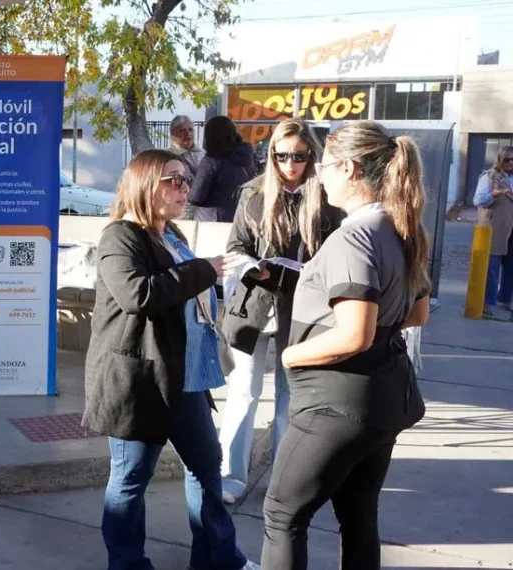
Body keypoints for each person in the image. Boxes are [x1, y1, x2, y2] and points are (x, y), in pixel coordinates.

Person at [261, 120, 431, 569]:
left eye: (325, 165)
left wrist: (290, 354)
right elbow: (416, 315)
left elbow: (356, 334)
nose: (318, 176)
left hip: (338, 402)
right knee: (358, 514)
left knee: (282, 516)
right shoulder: (401, 227)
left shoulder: (355, 235)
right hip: (383, 395)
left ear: (350, 169)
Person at [82, 148, 259, 570]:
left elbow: (187, 292)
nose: (185, 188)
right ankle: (127, 565)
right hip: (140, 381)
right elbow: (138, 294)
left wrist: (235, 276)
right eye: (174, 180)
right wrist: (204, 270)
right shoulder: (120, 236)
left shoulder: (171, 234)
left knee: (206, 467)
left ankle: (218, 559)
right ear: (145, 185)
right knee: (130, 479)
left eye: (186, 179)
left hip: (185, 375)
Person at [218, 118, 345, 504]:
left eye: (299, 156)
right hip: (254, 304)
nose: (290, 164)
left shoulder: (326, 197)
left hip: (303, 310)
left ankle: (282, 482)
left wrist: (313, 271)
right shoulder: (254, 192)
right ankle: (230, 477)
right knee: (243, 392)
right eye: (282, 155)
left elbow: (340, 252)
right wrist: (248, 265)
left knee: (292, 398)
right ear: (271, 154)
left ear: (311, 156)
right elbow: (235, 246)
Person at [188, 116, 258, 222]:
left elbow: (195, 197)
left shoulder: (212, 160)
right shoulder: (248, 156)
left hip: (215, 219)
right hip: (243, 217)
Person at [472, 145, 513, 320]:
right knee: (492, 267)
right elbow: (478, 200)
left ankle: (506, 298)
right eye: (507, 159)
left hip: (511, 228)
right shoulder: (489, 177)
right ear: (500, 159)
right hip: (494, 227)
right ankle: (487, 302)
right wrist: (493, 195)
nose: (511, 163)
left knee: (510, 267)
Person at [169, 115, 205, 221]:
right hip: (180, 210)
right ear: (173, 134)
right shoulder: (168, 157)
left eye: (190, 130)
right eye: (182, 131)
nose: (188, 134)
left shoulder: (204, 155)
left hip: (203, 212)